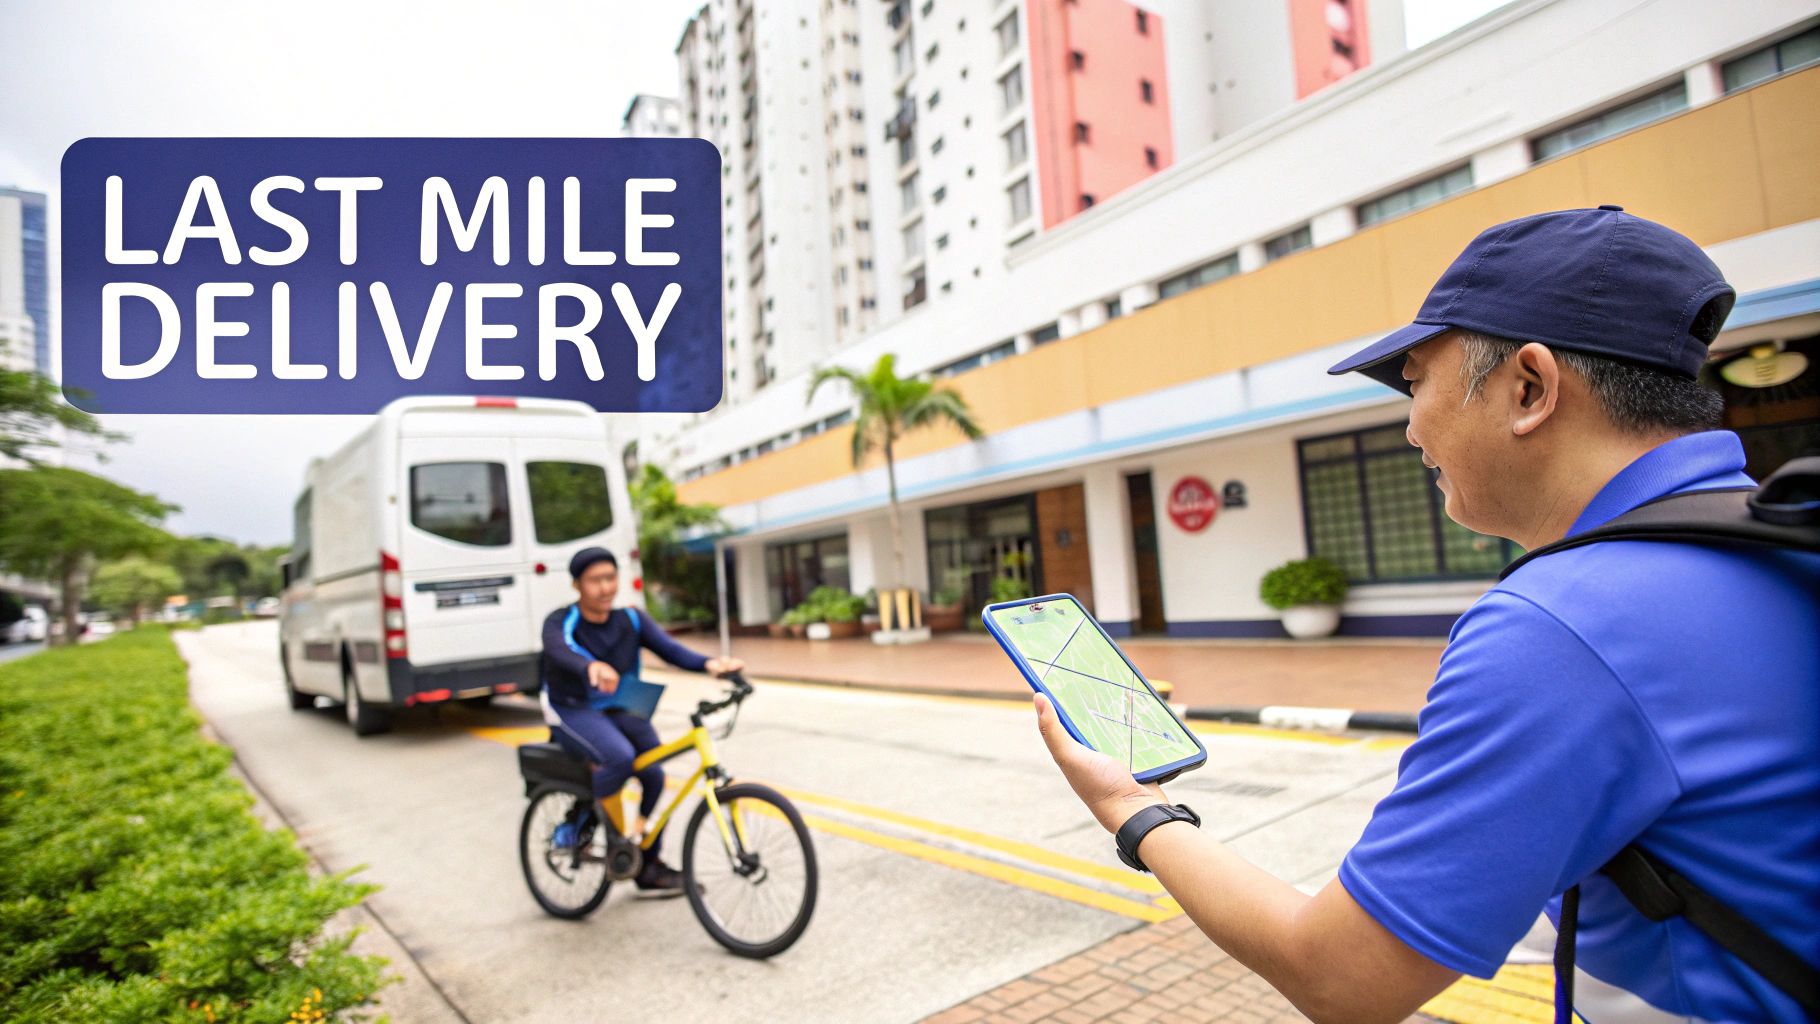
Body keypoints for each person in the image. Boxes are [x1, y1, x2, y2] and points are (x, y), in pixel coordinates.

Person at [1031, 206, 1819, 1021]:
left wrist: (1133, 810)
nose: (1411, 427)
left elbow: (1341, 978)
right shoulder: (1776, 539)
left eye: (1416, 384)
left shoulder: (1562, 629)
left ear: (1530, 387)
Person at [541, 545, 743, 896]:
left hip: (620, 704)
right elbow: (559, 650)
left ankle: (647, 864)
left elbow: (671, 650)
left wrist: (711, 664)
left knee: (653, 773)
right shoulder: (562, 620)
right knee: (618, 757)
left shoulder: (631, 619)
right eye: (594, 580)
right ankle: (597, 831)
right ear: (577, 585)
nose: (605, 588)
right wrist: (589, 667)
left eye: (610, 578)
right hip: (572, 707)